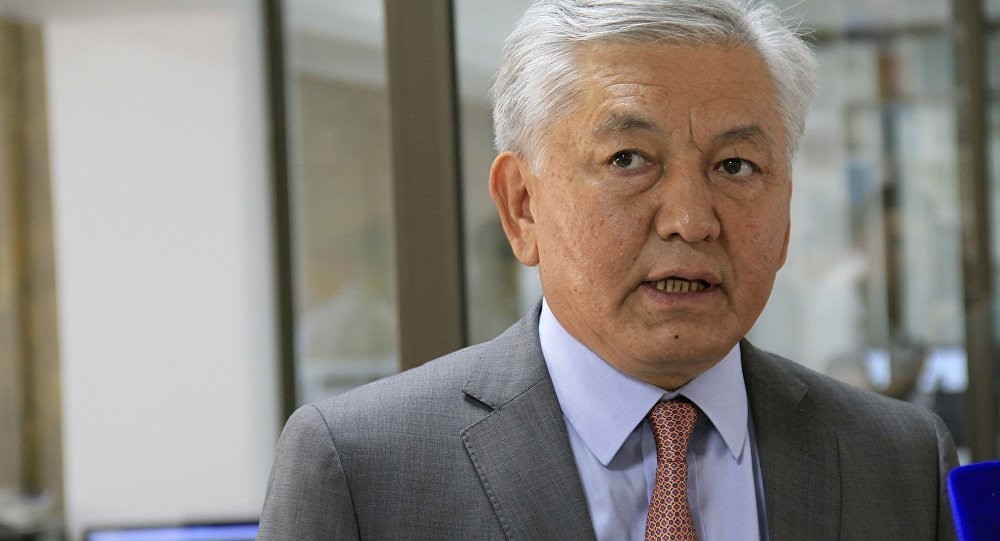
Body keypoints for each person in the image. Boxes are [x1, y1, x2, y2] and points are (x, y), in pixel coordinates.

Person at [257, 0, 958, 539]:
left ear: (786, 214)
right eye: (628, 160)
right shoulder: (362, 470)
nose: (692, 219)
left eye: (736, 165)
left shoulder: (898, 460)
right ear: (522, 206)